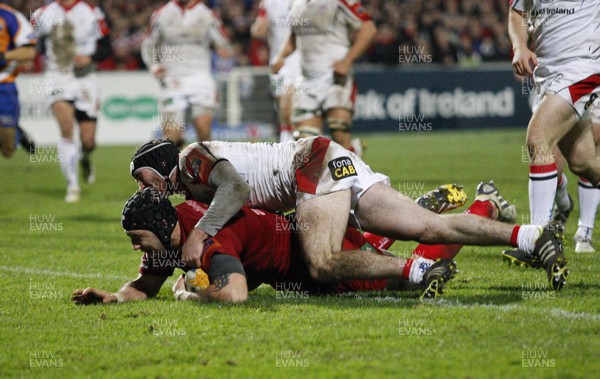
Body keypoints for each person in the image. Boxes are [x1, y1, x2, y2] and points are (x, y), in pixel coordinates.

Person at [130, 138, 568, 291]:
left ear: (160, 163)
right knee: (426, 224)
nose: (141, 187)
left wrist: (200, 233)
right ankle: (531, 237)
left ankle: (418, 271)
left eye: (142, 176)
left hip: (309, 165)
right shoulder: (188, 181)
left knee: (322, 264)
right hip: (326, 158)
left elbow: (238, 188)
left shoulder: (189, 160)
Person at [72, 183, 506, 305]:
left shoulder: (211, 243)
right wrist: (114, 297)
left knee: (408, 273)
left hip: (320, 268)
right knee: (375, 245)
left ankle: (485, 206)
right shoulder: (181, 221)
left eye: (136, 239)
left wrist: (189, 292)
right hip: (308, 229)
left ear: (161, 227)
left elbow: (237, 295)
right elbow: (146, 284)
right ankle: (406, 216)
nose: (135, 248)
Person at [508, 2, 600, 225]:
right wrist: (520, 46)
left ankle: (537, 239)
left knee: (538, 139)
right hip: (547, 74)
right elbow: (517, 12)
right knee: (582, 162)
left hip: (582, 68)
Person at [270, 0, 376, 155]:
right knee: (305, 145)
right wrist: (280, 56)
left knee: (339, 133)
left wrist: (347, 61)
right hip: (307, 81)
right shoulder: (296, 4)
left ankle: (352, 156)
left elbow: (369, 28)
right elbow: (294, 37)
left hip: (334, 78)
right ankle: (350, 154)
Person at [31, 0, 111, 202]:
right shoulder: (42, 14)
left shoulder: (92, 12)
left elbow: (107, 47)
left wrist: (90, 57)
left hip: (85, 79)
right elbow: (35, 43)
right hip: (57, 76)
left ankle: (85, 156)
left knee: (88, 141)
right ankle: (72, 186)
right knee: (66, 127)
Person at [140, 0, 232, 147]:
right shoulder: (161, 14)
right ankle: (179, 167)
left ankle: (205, 168)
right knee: (172, 137)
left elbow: (223, 42)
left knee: (203, 129)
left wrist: (222, 49)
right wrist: (154, 66)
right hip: (172, 78)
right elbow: (148, 44)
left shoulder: (207, 14)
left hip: (200, 75)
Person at [250, 0, 301, 143]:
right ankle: (291, 141)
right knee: (282, 108)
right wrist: (255, 27)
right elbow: (260, 31)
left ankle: (287, 147)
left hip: (300, 59)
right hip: (278, 62)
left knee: (288, 105)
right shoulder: (269, 3)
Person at [0, 3, 37, 158]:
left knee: (8, 150)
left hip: (3, 84)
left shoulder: (10, 16)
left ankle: (17, 132)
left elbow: (30, 51)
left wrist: (3, 56)